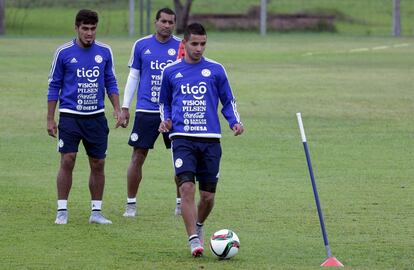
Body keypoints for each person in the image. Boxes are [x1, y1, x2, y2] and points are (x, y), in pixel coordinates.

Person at [158, 22, 244, 257]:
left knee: (207, 197)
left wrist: (234, 121)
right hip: (182, 138)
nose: (198, 48)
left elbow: (228, 100)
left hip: (210, 139)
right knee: (186, 187)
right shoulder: (171, 71)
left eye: (203, 44)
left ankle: (199, 224)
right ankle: (194, 239)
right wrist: (165, 120)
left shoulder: (216, 70)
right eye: (194, 44)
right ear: (184, 43)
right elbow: (164, 102)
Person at [47, 9, 123, 225]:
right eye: (85, 29)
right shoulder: (63, 53)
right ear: (77, 28)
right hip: (70, 116)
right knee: (68, 159)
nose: (89, 33)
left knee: (98, 163)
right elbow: (54, 86)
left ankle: (96, 212)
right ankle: (62, 210)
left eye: (93, 29)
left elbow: (111, 81)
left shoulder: (105, 52)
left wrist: (117, 109)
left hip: (96, 117)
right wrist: (50, 119)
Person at [119, 8, 183, 218]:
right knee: (138, 156)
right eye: (163, 21)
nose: (166, 25)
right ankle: (130, 204)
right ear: (156, 22)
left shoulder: (181, 46)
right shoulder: (141, 45)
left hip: (173, 112)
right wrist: (125, 106)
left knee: (180, 157)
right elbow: (134, 76)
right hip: (147, 109)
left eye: (170, 22)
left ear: (174, 24)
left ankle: (181, 204)